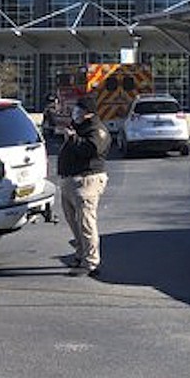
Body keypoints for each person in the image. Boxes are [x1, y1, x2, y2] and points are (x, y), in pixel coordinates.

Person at [57, 94, 111, 277]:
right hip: (70, 181)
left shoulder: (97, 130)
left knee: (86, 222)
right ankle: (80, 254)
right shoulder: (78, 128)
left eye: (79, 109)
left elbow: (91, 150)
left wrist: (73, 139)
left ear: (88, 113)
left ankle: (91, 262)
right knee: (74, 222)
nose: (75, 112)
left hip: (87, 181)